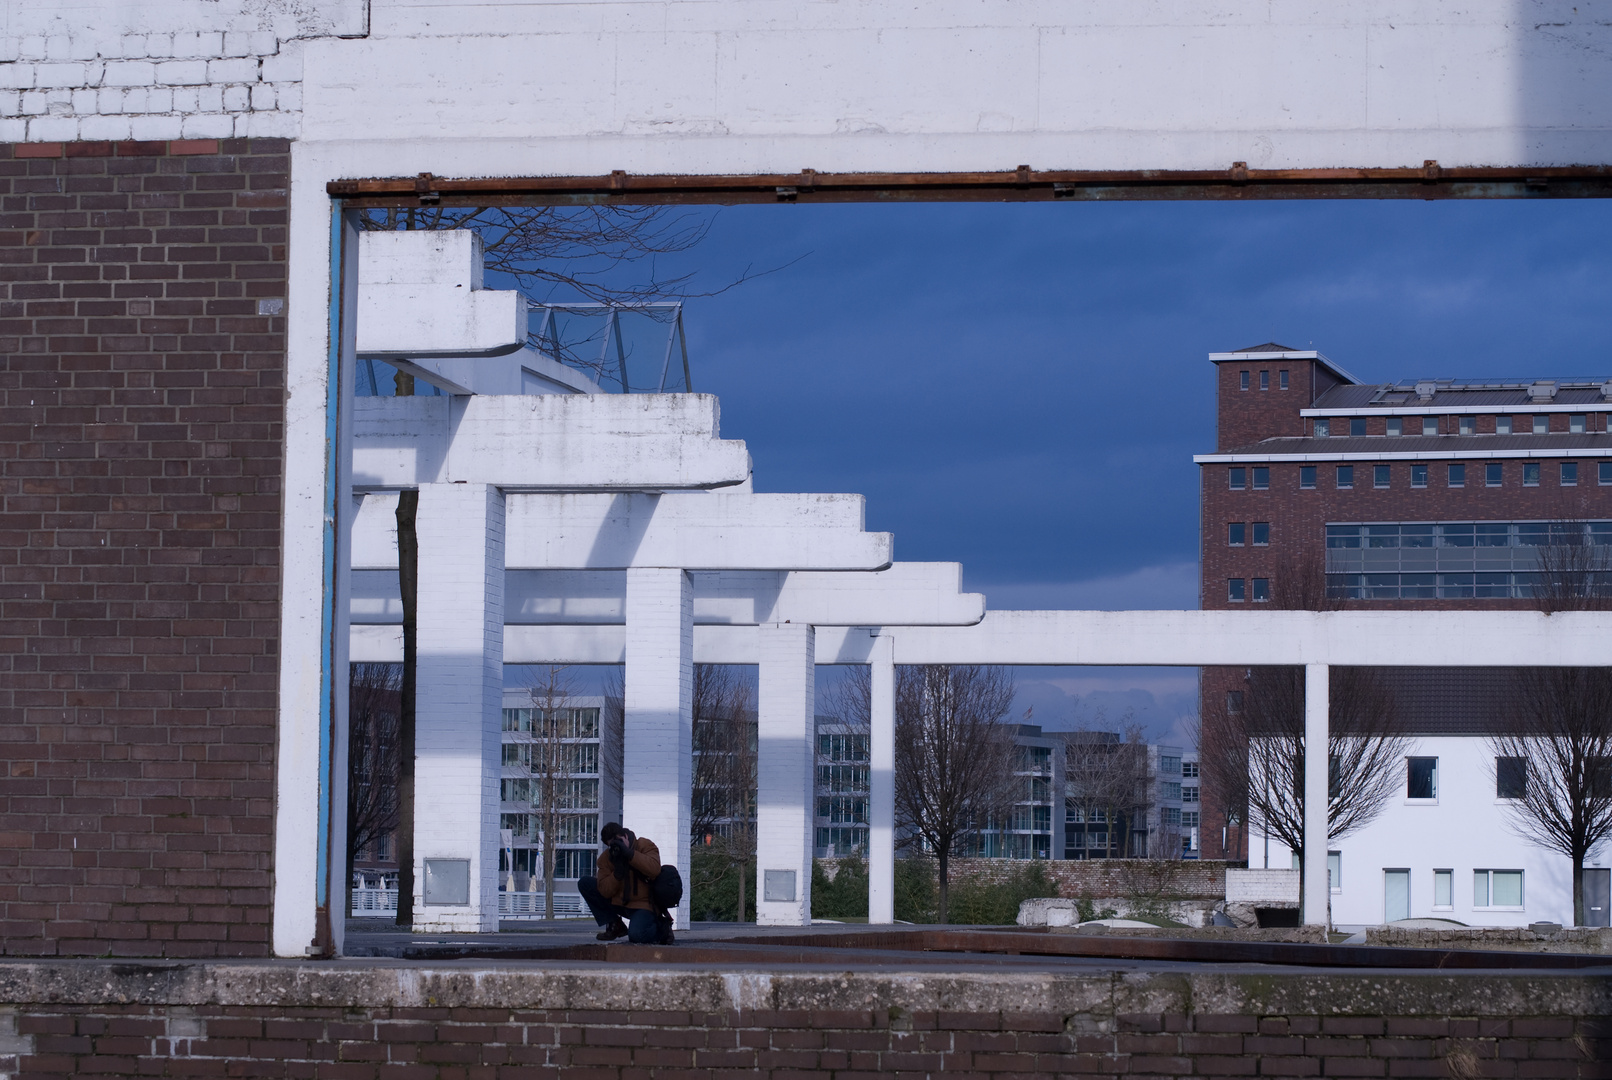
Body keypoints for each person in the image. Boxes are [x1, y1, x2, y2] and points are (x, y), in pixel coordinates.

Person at [577, 822, 666, 943]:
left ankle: (663, 930)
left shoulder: (644, 845)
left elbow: (654, 869)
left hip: (642, 905)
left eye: (618, 841)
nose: (617, 846)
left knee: (636, 936)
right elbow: (604, 891)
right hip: (619, 903)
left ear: (625, 835)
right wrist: (617, 874)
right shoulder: (607, 858)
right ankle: (615, 925)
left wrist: (630, 855)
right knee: (585, 883)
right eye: (612, 844)